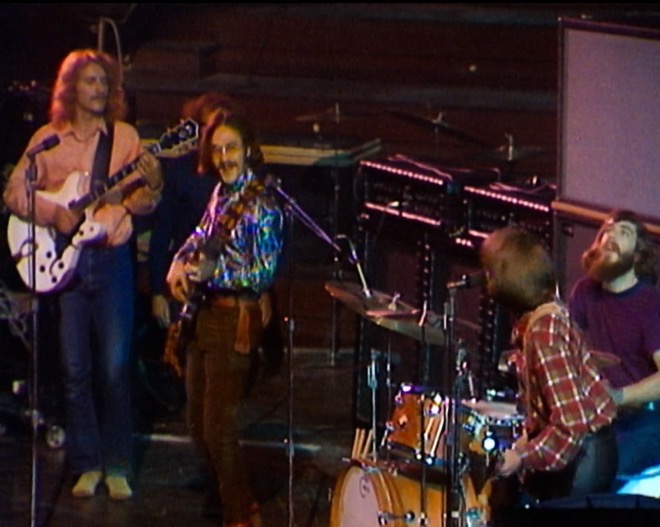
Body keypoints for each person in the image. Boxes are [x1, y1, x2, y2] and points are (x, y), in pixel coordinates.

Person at [3, 49, 163, 499]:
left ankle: (118, 465)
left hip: (111, 261)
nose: (99, 89)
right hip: (65, 266)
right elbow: (14, 192)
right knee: (74, 369)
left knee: (114, 367)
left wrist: (153, 183)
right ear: (71, 88)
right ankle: (87, 464)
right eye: (91, 81)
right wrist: (52, 213)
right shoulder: (48, 139)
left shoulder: (125, 137)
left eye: (105, 82)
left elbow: (144, 203)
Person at [166, 108, 284, 527]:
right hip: (203, 315)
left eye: (230, 148)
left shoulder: (262, 204)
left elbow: (263, 272)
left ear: (248, 149)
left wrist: (216, 274)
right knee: (198, 426)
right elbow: (201, 234)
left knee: (219, 428)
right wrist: (179, 262)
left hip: (234, 320)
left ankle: (242, 513)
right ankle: (232, 503)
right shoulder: (220, 193)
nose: (223, 158)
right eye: (216, 150)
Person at [478, 226, 617, 506]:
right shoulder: (543, 316)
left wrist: (522, 457)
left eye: (490, 272)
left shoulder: (544, 330)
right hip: (584, 453)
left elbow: (572, 424)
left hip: (582, 461)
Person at [568, 209, 660, 489]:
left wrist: (619, 396)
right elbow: (566, 345)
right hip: (599, 416)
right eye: (606, 231)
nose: (610, 236)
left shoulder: (650, 304)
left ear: (638, 255)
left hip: (645, 419)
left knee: (599, 476)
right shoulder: (585, 291)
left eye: (623, 233)